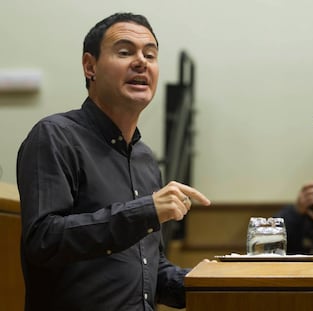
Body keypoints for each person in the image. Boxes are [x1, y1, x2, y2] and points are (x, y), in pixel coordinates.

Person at [16, 12, 211, 311]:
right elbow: (44, 240)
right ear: (90, 66)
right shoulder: (55, 136)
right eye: (124, 52)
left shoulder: (146, 160)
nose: (141, 62)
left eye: (150, 54)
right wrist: (144, 212)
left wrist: (211, 282)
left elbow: (150, 270)